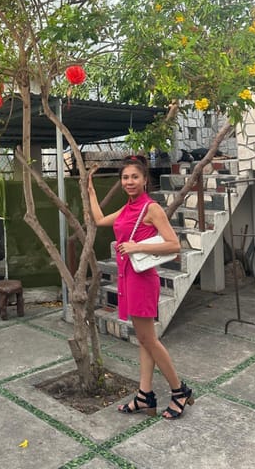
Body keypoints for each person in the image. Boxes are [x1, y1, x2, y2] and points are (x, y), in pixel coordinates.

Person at [88, 155, 194, 419]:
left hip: (143, 279)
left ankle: (180, 390)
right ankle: (144, 395)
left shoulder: (151, 208)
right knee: (144, 340)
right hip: (127, 278)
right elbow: (100, 219)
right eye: (125, 177)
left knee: (149, 339)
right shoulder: (126, 209)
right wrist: (89, 190)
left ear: (145, 180)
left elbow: (174, 244)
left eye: (134, 177)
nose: (129, 181)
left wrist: (138, 246)